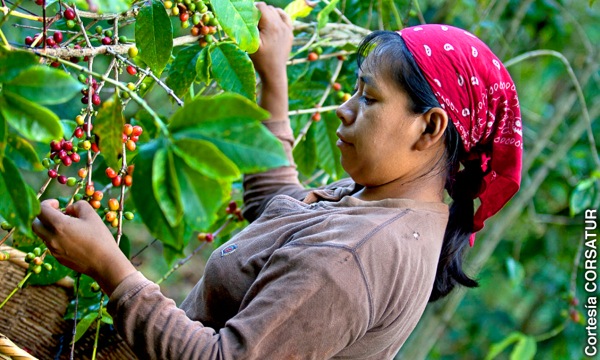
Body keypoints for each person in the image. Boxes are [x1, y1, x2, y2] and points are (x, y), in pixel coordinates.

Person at [32, 3, 523, 359]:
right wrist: (273, 78)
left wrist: (111, 269)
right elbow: (283, 212)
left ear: (430, 127)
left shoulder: (355, 257)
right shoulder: (384, 207)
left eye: (369, 99)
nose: (344, 108)